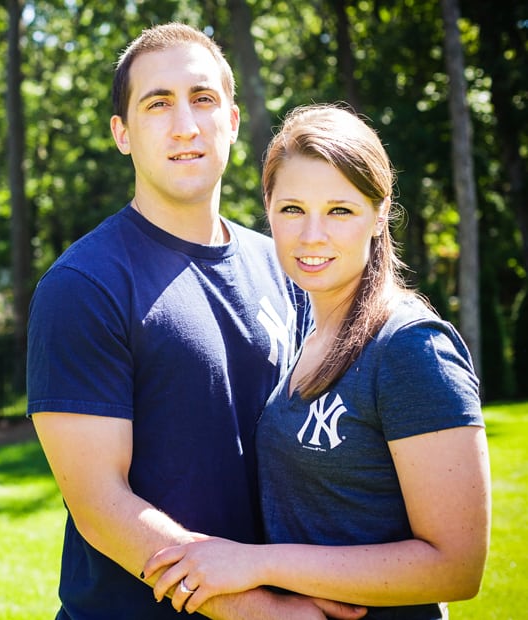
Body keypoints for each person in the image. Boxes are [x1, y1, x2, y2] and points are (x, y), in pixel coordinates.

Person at [27, 24, 366, 620]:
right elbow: (101, 506)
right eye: (157, 103)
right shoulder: (84, 285)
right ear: (122, 134)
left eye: (202, 98)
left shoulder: (283, 263)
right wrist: (266, 612)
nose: (185, 123)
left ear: (232, 121)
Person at [143, 103, 491, 619]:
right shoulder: (303, 331)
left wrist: (258, 565)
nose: (311, 236)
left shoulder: (410, 347)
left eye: (339, 210)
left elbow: (457, 567)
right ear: (268, 209)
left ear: (379, 214)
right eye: (292, 210)